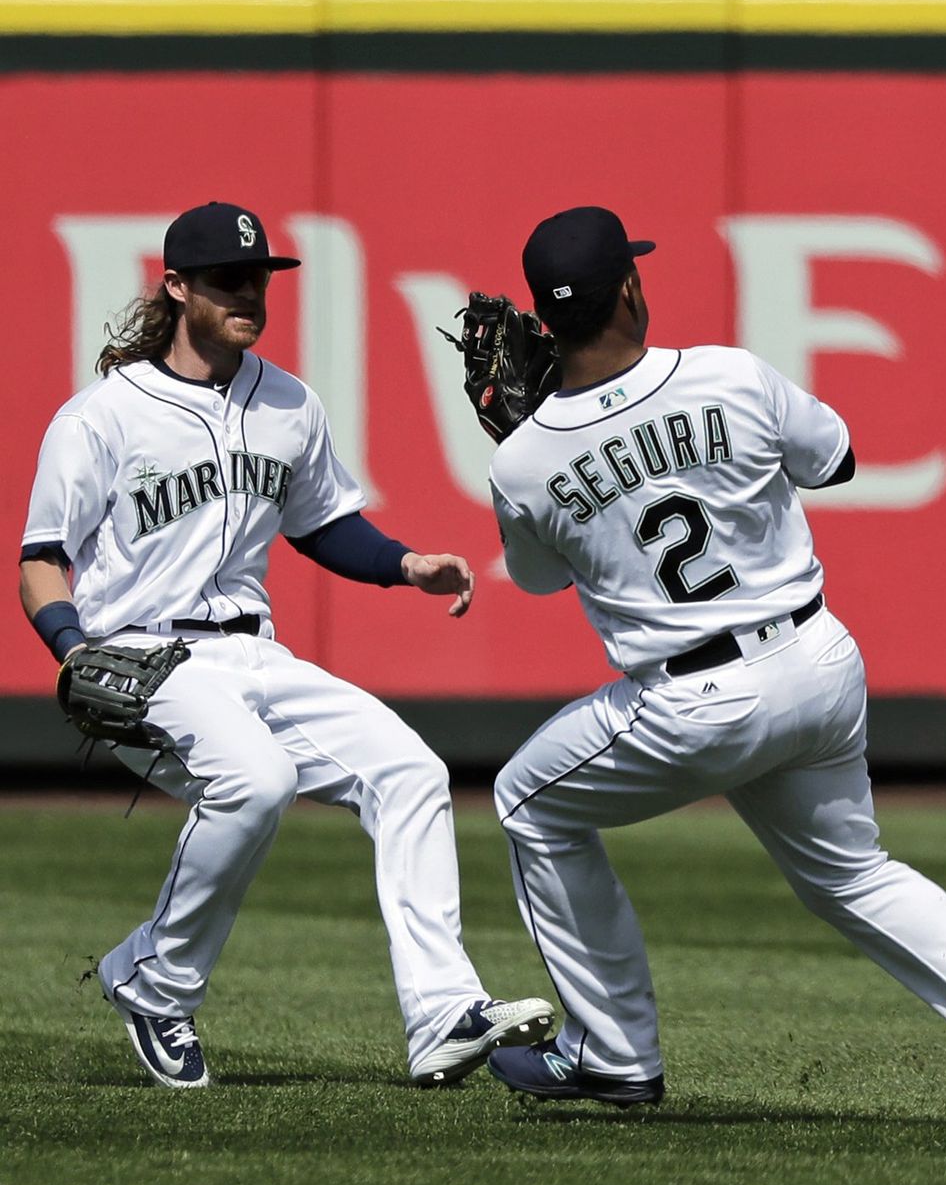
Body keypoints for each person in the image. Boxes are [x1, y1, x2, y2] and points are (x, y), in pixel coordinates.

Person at [480, 206, 946, 1122]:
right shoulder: (730, 374)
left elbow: (536, 581)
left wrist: (531, 438)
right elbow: (838, 459)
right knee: (858, 875)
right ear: (630, 287)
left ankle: (613, 1053)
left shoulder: (527, 458)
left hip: (692, 700)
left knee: (527, 802)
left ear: (540, 320)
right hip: (817, 663)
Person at [19, 201, 553, 1089]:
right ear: (178, 286)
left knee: (411, 773)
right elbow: (41, 562)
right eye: (228, 279)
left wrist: (404, 563)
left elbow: (323, 524)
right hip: (148, 657)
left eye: (259, 276)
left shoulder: (288, 401)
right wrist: (73, 648)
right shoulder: (101, 418)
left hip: (255, 655)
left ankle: (441, 1016)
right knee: (256, 781)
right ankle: (157, 981)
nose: (249, 293)